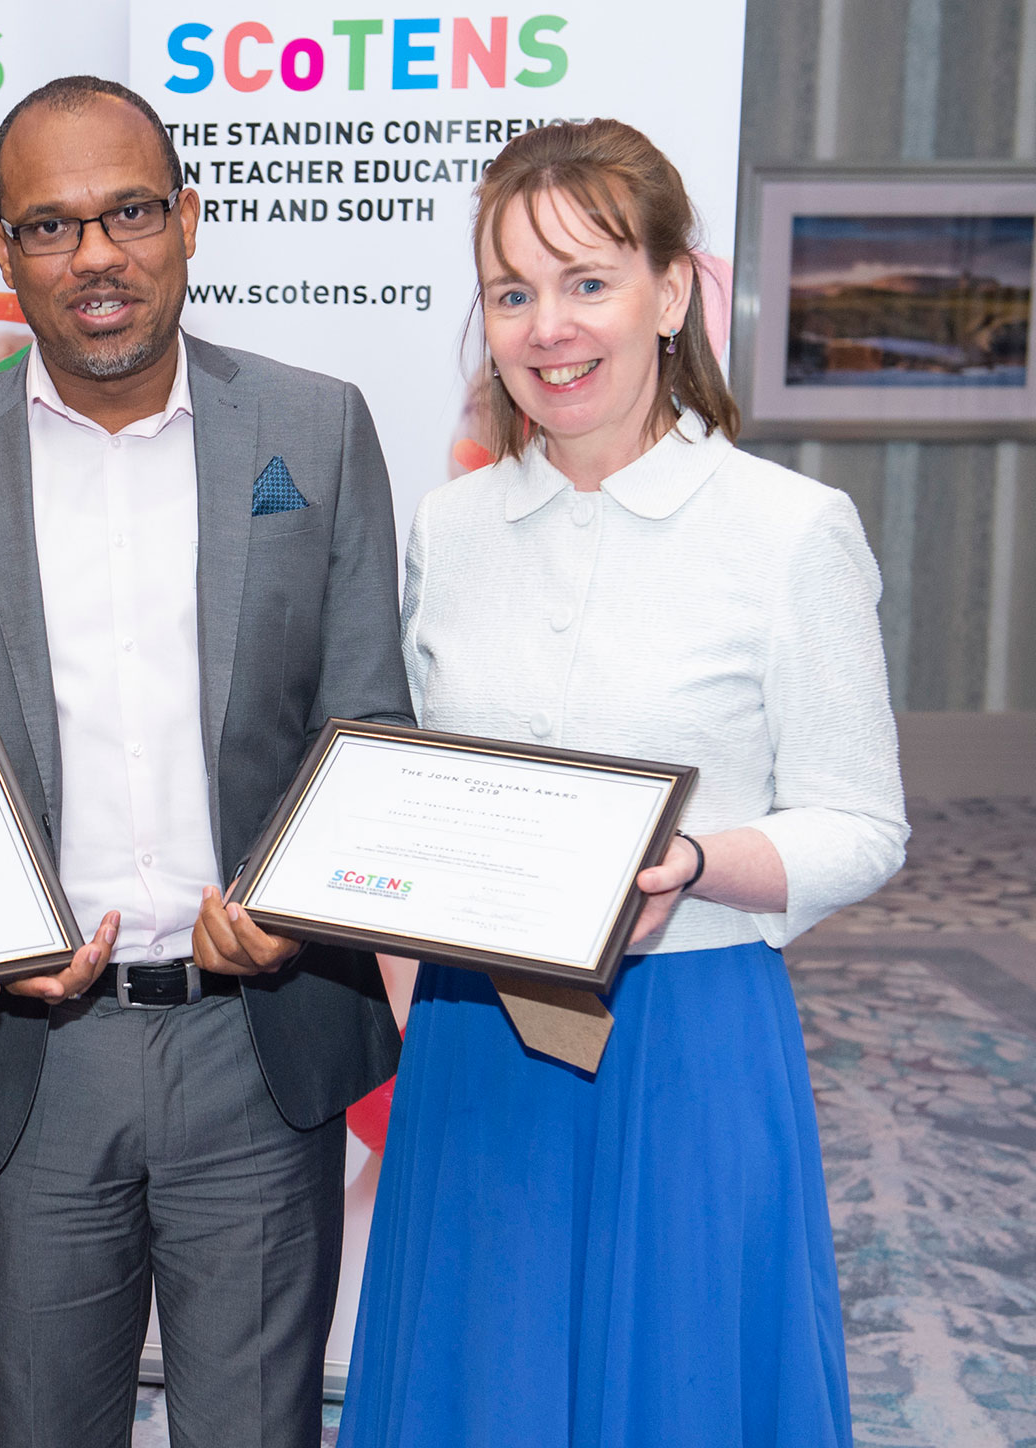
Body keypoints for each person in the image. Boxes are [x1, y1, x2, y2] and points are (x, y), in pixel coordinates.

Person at [0, 76, 408, 1448]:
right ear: (2, 252)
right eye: (50, 225)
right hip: (30, 1058)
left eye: (130, 211)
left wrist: (301, 913)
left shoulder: (316, 430)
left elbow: (364, 723)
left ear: (189, 220)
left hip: (256, 1040)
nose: (97, 254)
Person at [340, 118, 907, 1448]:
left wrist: (701, 864)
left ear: (672, 289)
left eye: (587, 281)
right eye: (511, 293)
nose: (549, 329)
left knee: (682, 1394)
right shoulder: (453, 528)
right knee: (481, 1395)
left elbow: (864, 824)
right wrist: (422, 1014)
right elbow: (415, 792)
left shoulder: (786, 531)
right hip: (481, 1045)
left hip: (689, 1039)